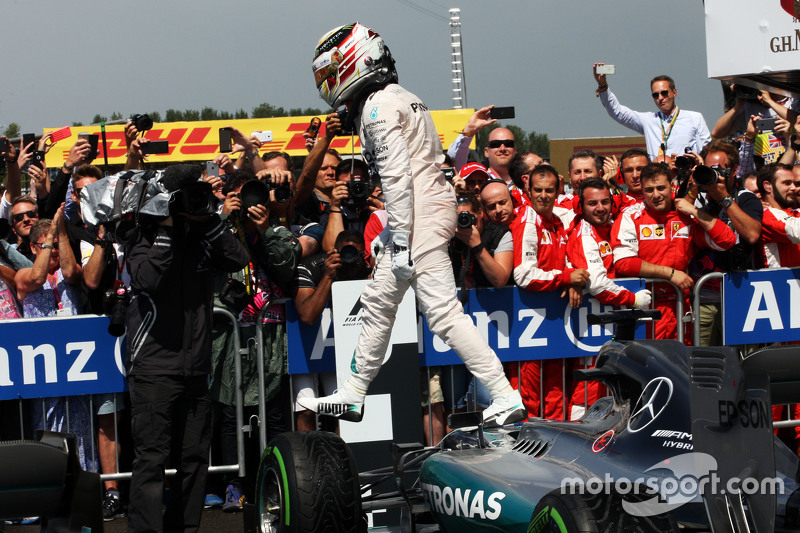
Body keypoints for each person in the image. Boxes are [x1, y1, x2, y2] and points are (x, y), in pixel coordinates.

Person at [300, 22, 525, 427]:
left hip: (415, 217)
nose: (326, 86)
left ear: (349, 64)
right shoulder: (404, 97)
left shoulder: (376, 107)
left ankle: (503, 395)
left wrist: (399, 239)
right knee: (391, 306)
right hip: (425, 211)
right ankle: (354, 393)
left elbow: (397, 176)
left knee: (429, 313)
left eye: (327, 76)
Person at [125, 165, 249, 533]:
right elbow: (147, 280)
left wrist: (208, 221)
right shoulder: (141, 237)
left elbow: (238, 259)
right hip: (153, 369)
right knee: (151, 459)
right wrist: (165, 231)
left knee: (194, 458)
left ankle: (185, 529)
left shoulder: (203, 238)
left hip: (196, 367)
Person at [611, 163, 737, 340]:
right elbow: (624, 263)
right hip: (645, 307)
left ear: (672, 185)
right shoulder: (631, 216)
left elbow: (727, 240)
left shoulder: (685, 215)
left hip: (680, 307)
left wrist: (694, 210)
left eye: (661, 188)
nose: (656, 195)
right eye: (649, 190)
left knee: (681, 363)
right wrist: (670, 274)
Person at [566, 178, 651, 419]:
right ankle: (581, 433)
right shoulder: (583, 234)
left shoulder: (616, 225)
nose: (600, 208)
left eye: (605, 202)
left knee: (621, 380)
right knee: (590, 383)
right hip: (592, 324)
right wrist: (633, 299)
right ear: (581, 206)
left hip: (616, 321)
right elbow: (598, 284)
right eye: (593, 203)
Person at [512, 164, 589, 420]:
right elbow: (523, 274)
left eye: (549, 190)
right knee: (530, 399)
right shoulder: (527, 220)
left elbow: (567, 259)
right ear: (528, 189)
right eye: (538, 190)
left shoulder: (556, 220)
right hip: (530, 326)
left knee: (556, 393)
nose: (543, 196)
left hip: (555, 322)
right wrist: (567, 277)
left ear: (558, 191)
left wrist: (573, 281)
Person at [689, 140, 763, 346]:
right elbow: (679, 218)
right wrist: (693, 187)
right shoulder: (698, 198)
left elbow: (752, 235)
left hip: (738, 295)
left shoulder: (745, 198)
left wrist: (724, 198)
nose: (714, 175)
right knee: (703, 361)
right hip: (703, 297)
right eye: (709, 169)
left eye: (719, 170)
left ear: (734, 170)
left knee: (742, 360)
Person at [594, 64, 711, 159]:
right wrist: (603, 85)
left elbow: (706, 152)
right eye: (656, 95)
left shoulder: (694, 118)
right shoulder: (648, 121)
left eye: (664, 93)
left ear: (674, 93)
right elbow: (617, 112)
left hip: (686, 180)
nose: (660, 98)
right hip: (657, 181)